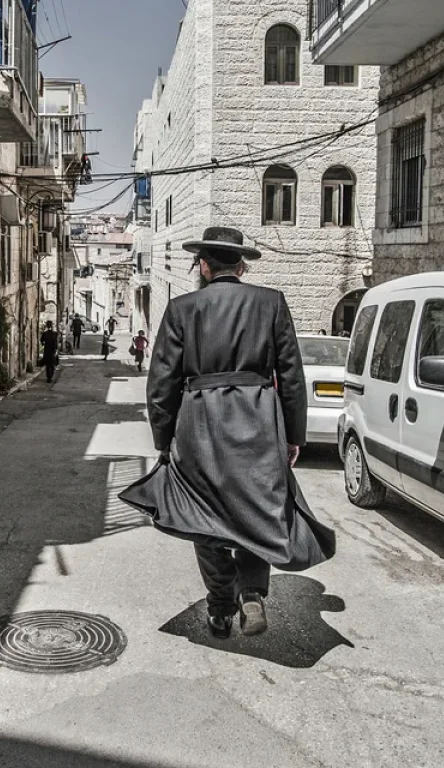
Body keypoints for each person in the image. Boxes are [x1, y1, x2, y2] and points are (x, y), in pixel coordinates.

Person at [119, 227, 336, 639]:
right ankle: (251, 592)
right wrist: (294, 436)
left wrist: (163, 442)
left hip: (200, 425)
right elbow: (291, 376)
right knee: (261, 509)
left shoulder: (182, 308)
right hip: (258, 421)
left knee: (205, 513)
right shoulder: (271, 303)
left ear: (203, 265)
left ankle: (220, 607)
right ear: (241, 265)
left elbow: (161, 381)